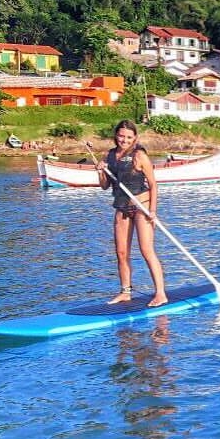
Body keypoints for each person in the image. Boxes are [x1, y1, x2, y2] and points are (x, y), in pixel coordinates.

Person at [96, 120, 167, 307]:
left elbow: (153, 184)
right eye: (121, 136)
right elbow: (104, 186)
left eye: (128, 137)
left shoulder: (139, 155)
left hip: (141, 207)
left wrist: (153, 210)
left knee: (146, 250)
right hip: (121, 208)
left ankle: (160, 293)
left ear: (134, 138)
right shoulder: (110, 156)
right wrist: (101, 171)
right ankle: (125, 292)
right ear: (116, 136)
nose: (124, 140)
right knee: (121, 252)